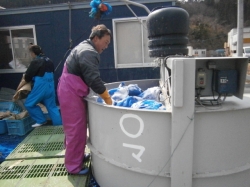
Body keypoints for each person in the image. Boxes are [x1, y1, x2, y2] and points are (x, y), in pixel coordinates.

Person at [57, 24, 112, 175]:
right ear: (96, 38)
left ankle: (76, 156)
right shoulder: (88, 52)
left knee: (78, 128)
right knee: (75, 129)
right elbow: (93, 79)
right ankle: (73, 167)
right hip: (71, 93)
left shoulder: (85, 48)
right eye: (106, 42)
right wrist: (108, 98)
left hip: (72, 90)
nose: (107, 46)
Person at [15, 45, 62, 127]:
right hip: (50, 86)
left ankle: (41, 120)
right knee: (52, 107)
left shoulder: (36, 61)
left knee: (29, 104)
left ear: (33, 53)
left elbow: (27, 76)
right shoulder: (49, 60)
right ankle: (59, 126)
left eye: (30, 53)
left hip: (41, 86)